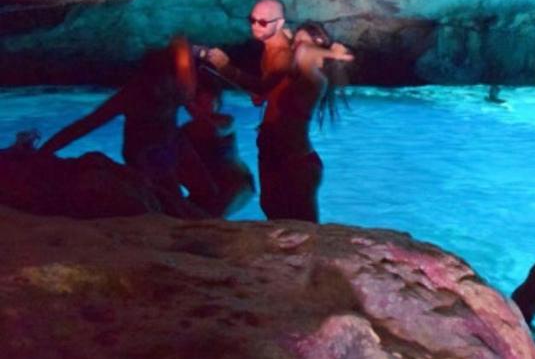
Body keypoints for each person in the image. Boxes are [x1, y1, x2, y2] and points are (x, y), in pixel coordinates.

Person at [39, 37, 202, 197]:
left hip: (165, 150)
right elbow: (85, 125)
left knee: (199, 185)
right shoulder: (134, 94)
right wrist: (46, 150)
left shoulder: (174, 90)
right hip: (145, 159)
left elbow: (185, 72)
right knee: (169, 191)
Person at [254, 20, 352, 222]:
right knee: (272, 211)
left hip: (296, 163)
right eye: (295, 42)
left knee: (303, 226)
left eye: (302, 41)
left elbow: (304, 53)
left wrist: (329, 52)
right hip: (274, 158)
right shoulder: (291, 78)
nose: (295, 46)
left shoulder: (316, 80)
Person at [176, 73, 254, 217]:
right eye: (198, 102)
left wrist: (190, 105)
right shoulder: (185, 131)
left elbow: (214, 130)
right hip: (212, 188)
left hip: (238, 186)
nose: (202, 108)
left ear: (217, 103)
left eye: (207, 103)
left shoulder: (225, 121)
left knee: (209, 215)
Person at [205, 0, 294, 102]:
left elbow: (264, 90)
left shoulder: (283, 57)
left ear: (279, 23)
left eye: (263, 22)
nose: (255, 26)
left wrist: (226, 68)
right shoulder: (271, 39)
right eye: (252, 20)